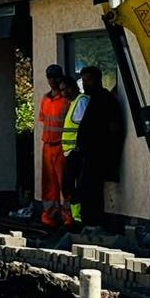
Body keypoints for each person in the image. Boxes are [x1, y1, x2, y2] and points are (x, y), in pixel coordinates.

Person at [74, 65, 125, 229]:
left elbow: (114, 129)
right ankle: (89, 223)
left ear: (97, 80)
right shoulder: (93, 99)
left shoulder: (105, 99)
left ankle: (94, 223)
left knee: (91, 190)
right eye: (83, 81)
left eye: (88, 81)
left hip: (98, 155)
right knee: (86, 188)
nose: (85, 85)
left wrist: (106, 152)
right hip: (88, 154)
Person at [38, 64, 69, 227]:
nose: (53, 80)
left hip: (61, 145)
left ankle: (68, 216)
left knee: (65, 182)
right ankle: (51, 214)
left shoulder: (66, 100)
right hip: (48, 145)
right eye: (50, 77)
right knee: (49, 183)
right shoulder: (45, 98)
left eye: (55, 76)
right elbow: (44, 120)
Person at [60, 73, 88, 227]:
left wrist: (78, 148)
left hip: (76, 152)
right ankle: (75, 217)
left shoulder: (81, 102)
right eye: (62, 90)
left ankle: (78, 219)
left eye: (66, 89)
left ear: (74, 87)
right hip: (70, 153)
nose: (64, 93)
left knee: (74, 186)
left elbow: (85, 127)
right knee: (69, 186)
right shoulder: (74, 103)